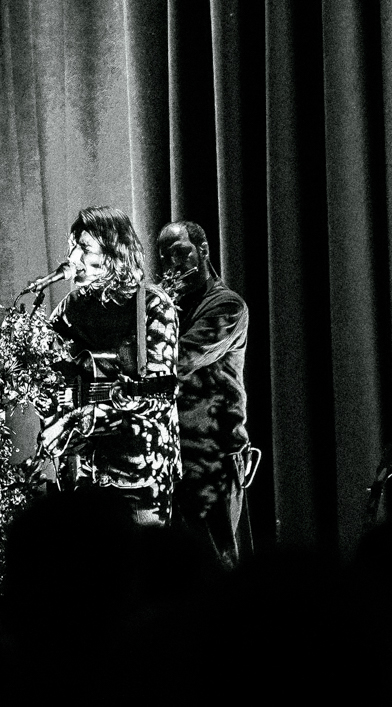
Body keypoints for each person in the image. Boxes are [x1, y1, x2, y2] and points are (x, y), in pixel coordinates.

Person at [44, 206, 179, 520]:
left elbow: (158, 395)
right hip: (84, 473)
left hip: (138, 474)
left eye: (85, 248)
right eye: (72, 247)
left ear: (115, 254)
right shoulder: (70, 308)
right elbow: (50, 378)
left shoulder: (152, 305)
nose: (73, 257)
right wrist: (47, 401)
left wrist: (88, 417)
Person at [154, 220, 251, 564]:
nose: (173, 265)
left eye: (180, 253)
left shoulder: (227, 305)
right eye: (165, 258)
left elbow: (180, 358)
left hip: (213, 456)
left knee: (216, 566)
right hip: (175, 453)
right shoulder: (171, 307)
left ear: (203, 250)